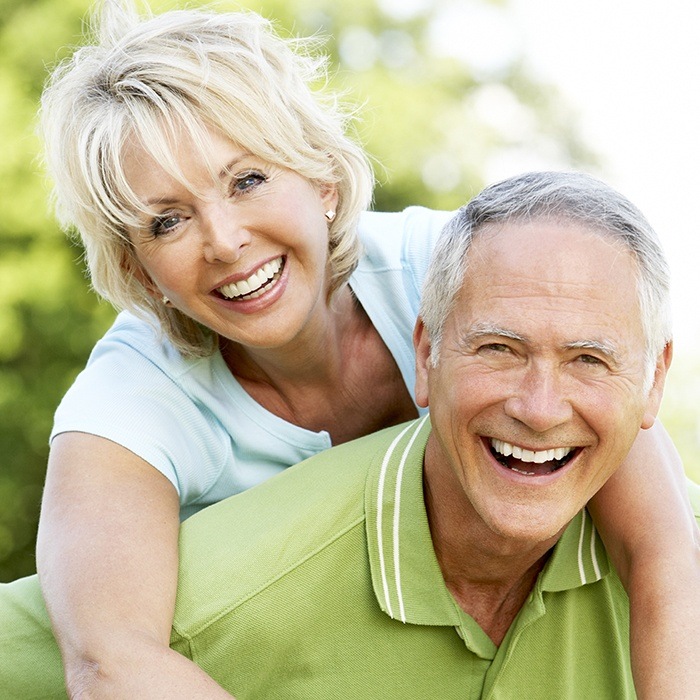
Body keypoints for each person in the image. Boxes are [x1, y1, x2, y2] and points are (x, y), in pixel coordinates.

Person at [1, 0, 697, 697]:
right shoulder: (126, 405)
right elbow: (110, 662)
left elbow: (663, 550)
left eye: (246, 180)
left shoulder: (468, 275)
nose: (223, 240)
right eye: (167, 221)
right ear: (135, 268)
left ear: (323, 178)